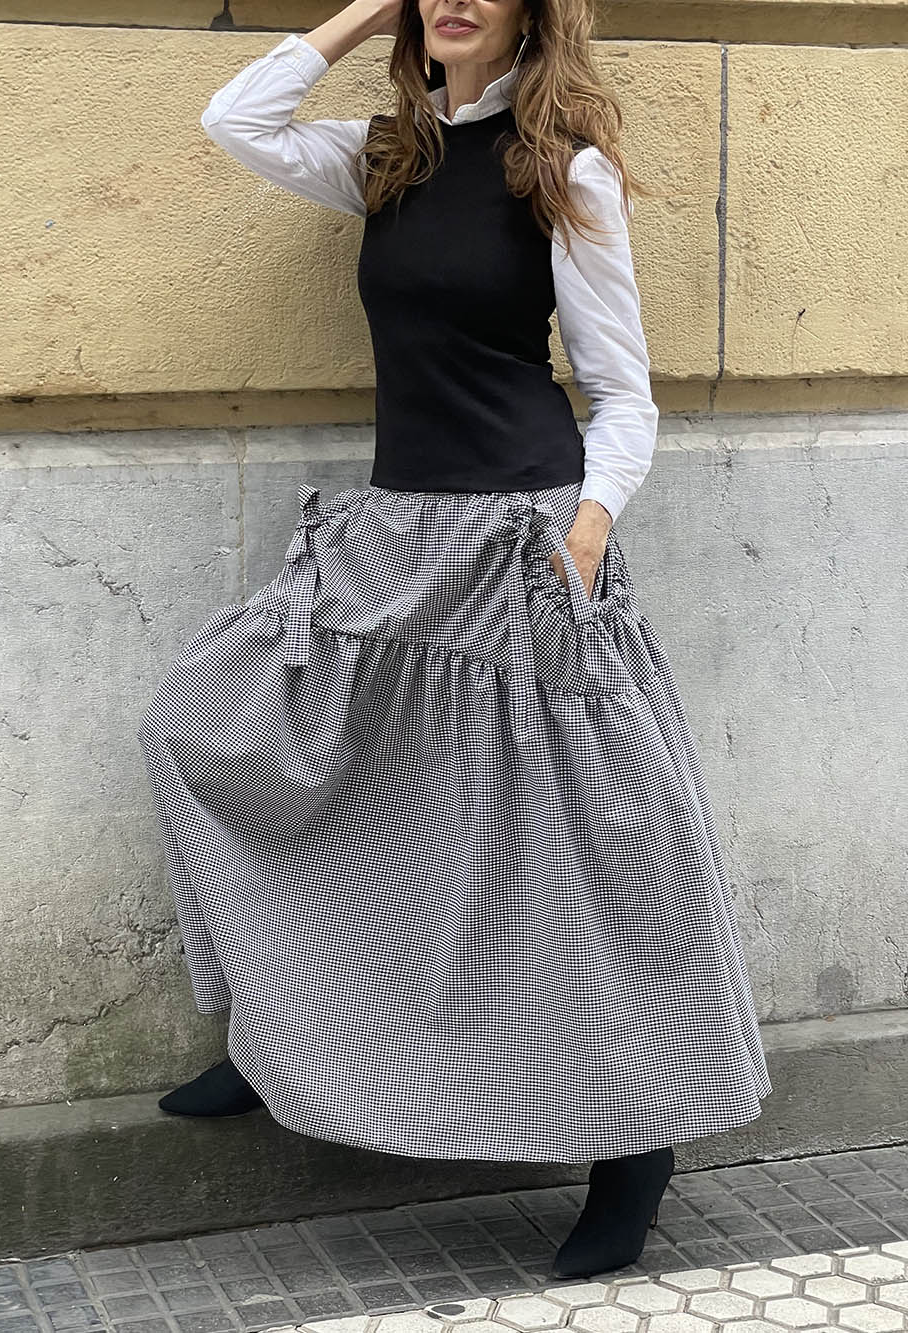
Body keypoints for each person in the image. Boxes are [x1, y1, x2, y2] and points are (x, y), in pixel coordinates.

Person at [137, 0, 773, 1281]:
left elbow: (624, 392)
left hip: (520, 541)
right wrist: (364, 14)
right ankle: (278, 1035)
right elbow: (235, 119)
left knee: (576, 852)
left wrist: (585, 531)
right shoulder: (388, 157)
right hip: (392, 533)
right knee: (201, 730)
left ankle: (635, 1146)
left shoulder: (564, 173)